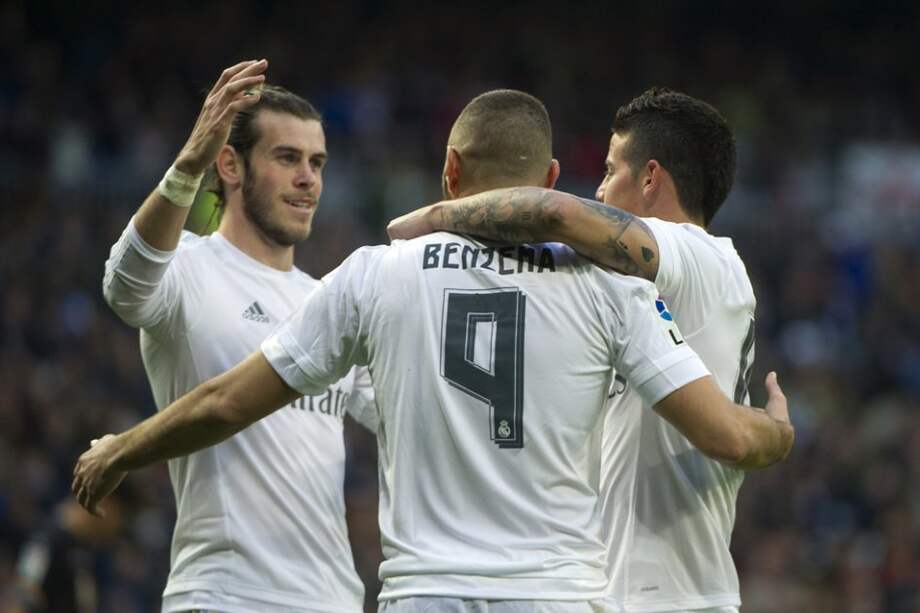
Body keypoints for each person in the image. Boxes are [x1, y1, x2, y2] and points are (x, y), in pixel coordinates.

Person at [75, 89, 792, 612]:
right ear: (547, 178)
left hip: (426, 592)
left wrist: (123, 449)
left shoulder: (375, 275)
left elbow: (227, 399)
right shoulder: (611, 286)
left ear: (451, 173)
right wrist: (778, 427)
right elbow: (725, 432)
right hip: (558, 592)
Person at [387, 87, 760, 613]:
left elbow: (557, 214)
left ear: (651, 178)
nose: (601, 192)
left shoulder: (695, 255)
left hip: (667, 596)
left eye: (610, 171)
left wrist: (435, 218)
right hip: (629, 591)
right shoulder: (636, 295)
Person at [100, 60, 375, 613]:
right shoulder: (190, 271)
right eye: (287, 158)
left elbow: (401, 410)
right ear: (229, 164)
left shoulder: (328, 301)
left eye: (317, 163)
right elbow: (124, 287)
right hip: (227, 596)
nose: (309, 179)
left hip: (333, 601)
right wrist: (186, 164)